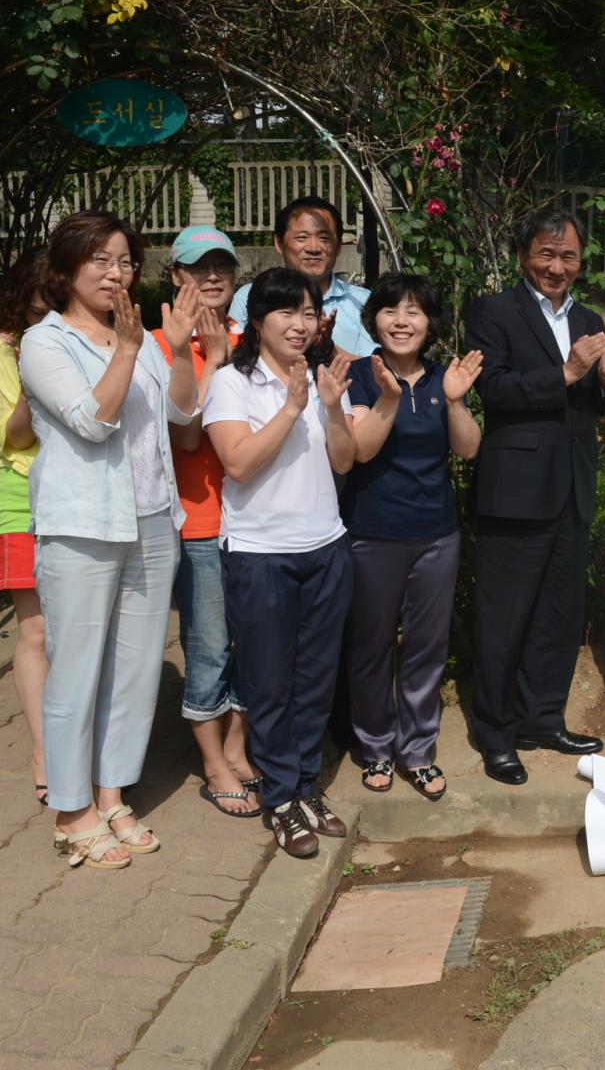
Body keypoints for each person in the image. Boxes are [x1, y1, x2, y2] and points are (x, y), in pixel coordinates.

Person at [19, 212, 200, 870]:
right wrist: (127, 349)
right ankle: (71, 810)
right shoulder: (45, 342)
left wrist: (174, 348)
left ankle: (110, 792)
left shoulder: (143, 337)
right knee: (78, 666)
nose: (115, 271)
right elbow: (92, 421)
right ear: (66, 268)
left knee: (135, 668)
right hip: (84, 524)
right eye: (100, 259)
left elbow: (183, 414)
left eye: (124, 260)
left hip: (152, 517)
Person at [463, 210, 605, 786]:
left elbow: (590, 408)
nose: (557, 267)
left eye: (568, 257)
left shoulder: (589, 318)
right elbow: (492, 389)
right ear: (524, 255)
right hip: (515, 492)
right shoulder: (494, 311)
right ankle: (495, 734)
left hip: (572, 488)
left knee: (558, 619)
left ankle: (543, 718)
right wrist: (567, 371)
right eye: (546, 254)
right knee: (503, 618)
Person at [204, 268, 357, 858]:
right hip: (260, 554)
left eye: (309, 312)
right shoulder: (231, 383)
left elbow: (343, 463)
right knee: (269, 682)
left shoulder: (323, 379)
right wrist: (293, 408)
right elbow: (239, 463)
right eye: (286, 312)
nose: (300, 323)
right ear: (257, 321)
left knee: (316, 679)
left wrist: (332, 408)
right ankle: (280, 799)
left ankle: (303, 785)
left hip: (325, 546)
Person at [344, 274, 482, 800]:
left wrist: (454, 403)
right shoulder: (359, 375)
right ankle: (377, 746)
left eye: (414, 312)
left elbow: (468, 450)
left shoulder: (446, 378)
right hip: (372, 533)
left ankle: (419, 751)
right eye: (390, 311)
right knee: (372, 644)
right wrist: (387, 397)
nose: (402, 321)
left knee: (427, 646)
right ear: (374, 319)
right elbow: (360, 451)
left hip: (435, 534)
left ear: (430, 323)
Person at [152, 226, 262, 818]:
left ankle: (238, 744)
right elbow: (186, 435)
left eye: (221, 266)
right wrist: (209, 359)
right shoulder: (155, 344)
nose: (211, 277)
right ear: (175, 277)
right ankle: (212, 763)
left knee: (254, 643)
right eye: (197, 268)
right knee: (210, 647)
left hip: (253, 523)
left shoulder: (254, 339)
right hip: (198, 524)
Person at [0, 248, 50, 804]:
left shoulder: (98, 337)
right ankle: (44, 748)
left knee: (80, 632)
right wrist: (36, 373)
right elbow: (17, 437)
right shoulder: (2, 347)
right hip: (23, 498)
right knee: (37, 631)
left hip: (82, 500)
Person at [228, 195, 376, 360]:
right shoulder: (248, 296)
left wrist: (329, 350)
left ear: (339, 246)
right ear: (278, 242)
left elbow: (376, 368)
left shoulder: (362, 300)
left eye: (324, 238)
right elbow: (238, 358)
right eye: (301, 238)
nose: (314, 248)